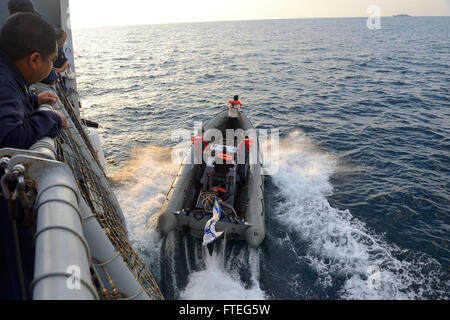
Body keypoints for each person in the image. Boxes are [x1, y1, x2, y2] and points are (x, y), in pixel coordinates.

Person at [0, 12, 67, 300]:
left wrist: (32, 100)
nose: (53, 66)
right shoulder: (4, 82)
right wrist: (52, 121)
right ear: (35, 59)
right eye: (52, 60)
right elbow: (9, 137)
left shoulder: (7, 76)